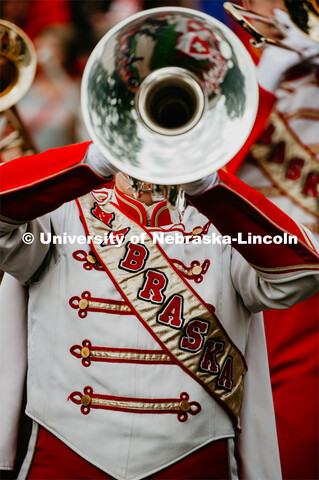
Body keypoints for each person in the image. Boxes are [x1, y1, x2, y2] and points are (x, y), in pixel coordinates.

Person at [0, 7, 318, 480]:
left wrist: (211, 183)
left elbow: (299, 274)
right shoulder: (64, 208)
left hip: (195, 463)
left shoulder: (223, 222)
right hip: (65, 461)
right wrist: (92, 161)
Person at [226, 2, 319, 478]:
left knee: (294, 452)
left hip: (310, 301)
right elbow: (196, 176)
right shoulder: (222, 53)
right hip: (230, 281)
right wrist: (262, 84)